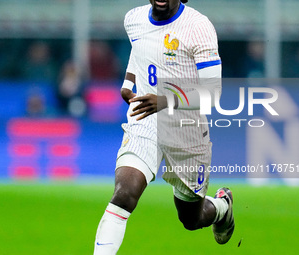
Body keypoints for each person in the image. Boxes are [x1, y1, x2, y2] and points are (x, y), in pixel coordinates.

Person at [94, 1, 234, 254]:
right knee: (124, 195)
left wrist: (164, 101)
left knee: (191, 218)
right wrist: (129, 81)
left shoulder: (198, 27)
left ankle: (222, 208)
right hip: (145, 118)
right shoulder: (134, 19)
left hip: (187, 127)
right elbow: (140, 51)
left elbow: (213, 93)